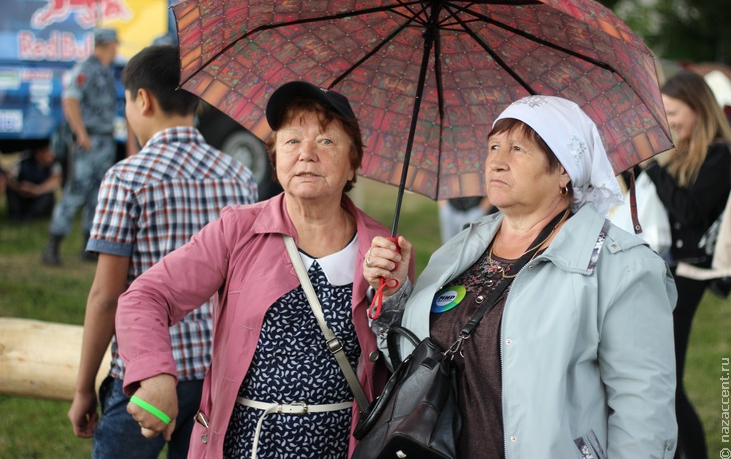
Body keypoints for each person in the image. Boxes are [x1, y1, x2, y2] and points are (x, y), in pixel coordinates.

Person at [113, 80, 414, 459]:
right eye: (291, 141)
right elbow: (146, 296)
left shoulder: (385, 248)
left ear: (353, 160)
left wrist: (396, 293)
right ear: (274, 157)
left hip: (345, 448)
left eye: (326, 141)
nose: (306, 153)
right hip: (246, 446)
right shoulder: (238, 229)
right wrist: (154, 374)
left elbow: (401, 358)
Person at [364, 95, 678, 458]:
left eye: (517, 149)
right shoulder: (460, 249)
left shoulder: (622, 267)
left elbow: (644, 414)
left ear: (564, 170)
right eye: (493, 147)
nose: (497, 161)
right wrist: (397, 290)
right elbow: (409, 361)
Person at [67, 45, 258, 459]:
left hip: (145, 376)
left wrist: (84, 388)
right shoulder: (240, 176)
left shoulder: (126, 178)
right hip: (217, 377)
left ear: (142, 99)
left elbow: (106, 297)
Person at [642, 70, 731, 459]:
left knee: (668, 382)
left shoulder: (720, 155)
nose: (670, 120)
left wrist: (655, 170)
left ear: (698, 109)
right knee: (662, 379)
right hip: (670, 269)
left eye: (674, 111)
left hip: (693, 274)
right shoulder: (685, 151)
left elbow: (690, 213)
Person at [42, 28, 120, 266]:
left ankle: (89, 245)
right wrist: (81, 134)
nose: (117, 49)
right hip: (90, 143)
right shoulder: (85, 69)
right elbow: (70, 100)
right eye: (115, 44)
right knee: (75, 193)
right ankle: (53, 245)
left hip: (105, 141)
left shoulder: (105, 71)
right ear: (107, 45)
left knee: (98, 195)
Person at [5, 144, 62, 221]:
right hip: (23, 196)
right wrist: (19, 187)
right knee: (10, 190)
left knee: (48, 193)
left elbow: (56, 180)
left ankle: (31, 217)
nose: (52, 155)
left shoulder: (54, 165)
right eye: (49, 152)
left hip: (38, 197)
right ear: (39, 153)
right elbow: (8, 178)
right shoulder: (23, 163)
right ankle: (16, 216)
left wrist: (36, 190)